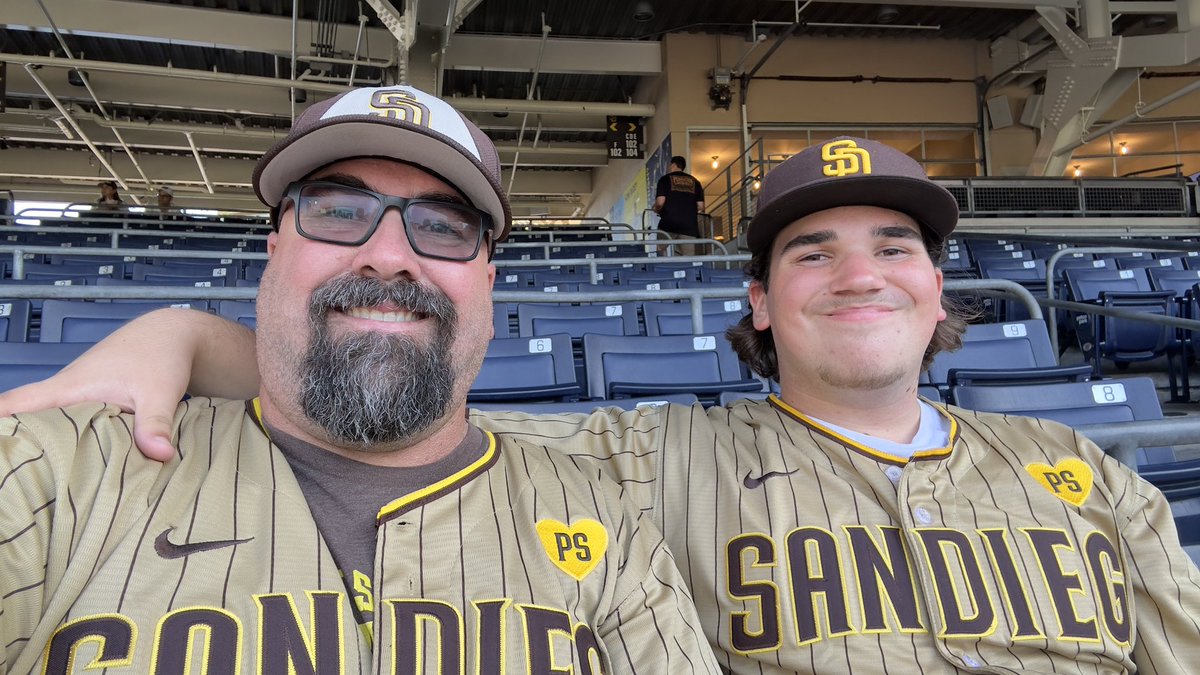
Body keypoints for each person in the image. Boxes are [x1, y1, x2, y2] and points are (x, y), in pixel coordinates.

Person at [7, 137, 1200, 673]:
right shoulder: (642, 457)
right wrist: (178, 337)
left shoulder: (1087, 474)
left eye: (897, 244)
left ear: (941, 286)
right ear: (760, 304)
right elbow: (406, 404)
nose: (860, 272)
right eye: (811, 252)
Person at [0, 85, 719, 673]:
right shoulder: (60, 472)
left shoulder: (606, 522)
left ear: (489, 287)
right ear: (273, 254)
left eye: (441, 225)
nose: (387, 256)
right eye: (339, 211)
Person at [653, 155, 705, 256]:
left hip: (669, 222)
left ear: (673, 165)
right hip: (689, 224)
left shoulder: (664, 179)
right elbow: (701, 206)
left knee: (660, 249)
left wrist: (657, 209)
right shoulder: (695, 182)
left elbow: (660, 202)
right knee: (689, 257)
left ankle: (661, 269)